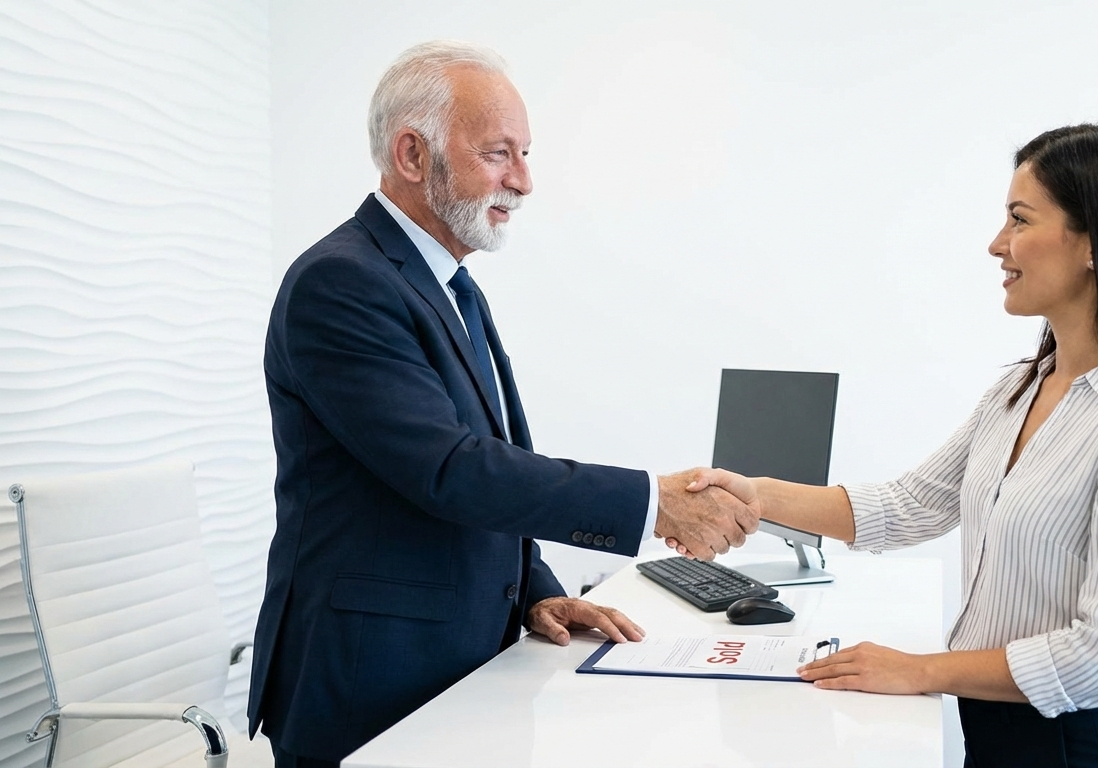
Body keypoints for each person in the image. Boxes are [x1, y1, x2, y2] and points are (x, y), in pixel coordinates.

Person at [249, 40, 758, 766]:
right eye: (499, 153)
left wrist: (537, 592)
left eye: (525, 153)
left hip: (457, 667)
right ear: (412, 155)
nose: (523, 180)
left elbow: (494, 462)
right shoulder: (341, 285)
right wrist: (655, 504)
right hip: (369, 680)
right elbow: (450, 470)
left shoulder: (453, 284)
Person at [681, 122, 1098, 767]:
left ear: (1096, 242)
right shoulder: (1019, 390)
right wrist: (755, 494)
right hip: (997, 738)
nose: (997, 245)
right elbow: (912, 504)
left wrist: (921, 670)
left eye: (1019, 220)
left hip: (1083, 750)